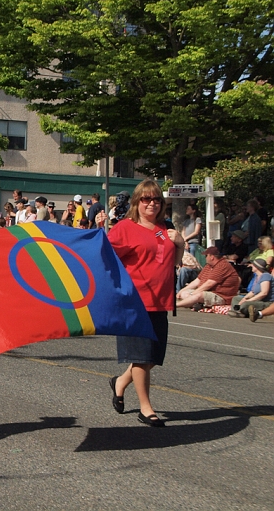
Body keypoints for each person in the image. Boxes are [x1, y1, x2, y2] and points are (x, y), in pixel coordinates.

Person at [108, 180, 185, 427]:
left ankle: (120, 382)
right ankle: (146, 408)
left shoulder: (164, 229)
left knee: (152, 358)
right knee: (141, 358)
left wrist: (180, 243)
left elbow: (173, 262)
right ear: (136, 202)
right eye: (146, 199)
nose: (151, 203)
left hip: (160, 301)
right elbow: (105, 259)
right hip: (134, 302)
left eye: (156, 200)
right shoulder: (125, 228)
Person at [176, 246, 240, 310]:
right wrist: (182, 290)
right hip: (209, 292)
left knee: (198, 295)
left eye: (206, 256)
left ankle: (176, 305)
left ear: (212, 257)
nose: (205, 258)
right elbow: (198, 280)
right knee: (184, 293)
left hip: (221, 296)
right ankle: (196, 304)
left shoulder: (222, 266)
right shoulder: (208, 266)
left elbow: (209, 284)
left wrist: (194, 293)